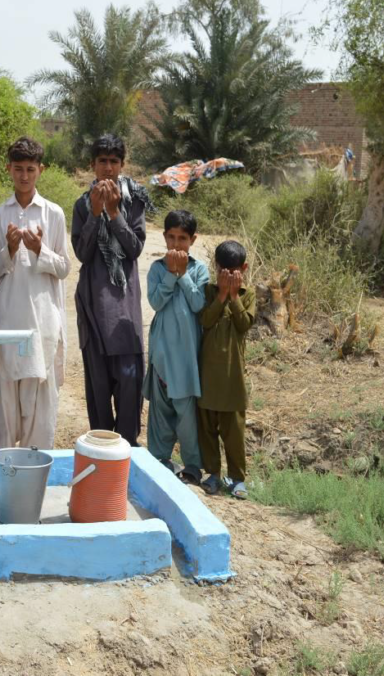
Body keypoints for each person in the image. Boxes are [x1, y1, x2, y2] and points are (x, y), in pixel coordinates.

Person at [0, 137, 70, 450]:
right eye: (18, 169)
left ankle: (34, 477)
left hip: (43, 322)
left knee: (40, 408)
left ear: (40, 170)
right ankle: (4, 476)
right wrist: (9, 248)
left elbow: (63, 268)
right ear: (8, 169)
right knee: (5, 408)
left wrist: (38, 249)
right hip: (8, 320)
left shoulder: (53, 214)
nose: (24, 175)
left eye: (30, 169)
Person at [71, 134, 149, 445]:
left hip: (124, 310)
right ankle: (103, 452)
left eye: (113, 162)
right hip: (93, 307)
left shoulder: (135, 200)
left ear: (122, 165)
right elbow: (82, 253)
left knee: (130, 386)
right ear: (92, 165)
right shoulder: (82, 204)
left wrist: (114, 213)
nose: (107, 168)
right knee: (99, 392)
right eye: (102, 161)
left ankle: (127, 452)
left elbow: (134, 248)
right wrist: (95, 212)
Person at [144, 210, 209, 483]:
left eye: (182, 238)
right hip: (161, 352)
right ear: (164, 237)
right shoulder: (157, 268)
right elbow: (156, 302)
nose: (176, 244)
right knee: (160, 410)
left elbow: (198, 304)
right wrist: (170, 274)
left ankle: (192, 464)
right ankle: (159, 459)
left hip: (186, 355)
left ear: (192, 240)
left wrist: (182, 274)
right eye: (171, 237)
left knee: (186, 413)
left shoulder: (199, 269)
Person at [198, 240, 256, 498]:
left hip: (233, 379)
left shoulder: (248, 295)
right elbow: (206, 320)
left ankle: (237, 478)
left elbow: (243, 325)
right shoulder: (209, 291)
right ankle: (212, 474)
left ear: (243, 268)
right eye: (224, 271)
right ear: (216, 268)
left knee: (234, 433)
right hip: (208, 376)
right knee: (207, 430)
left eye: (234, 272)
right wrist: (221, 294)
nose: (229, 277)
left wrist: (233, 296)